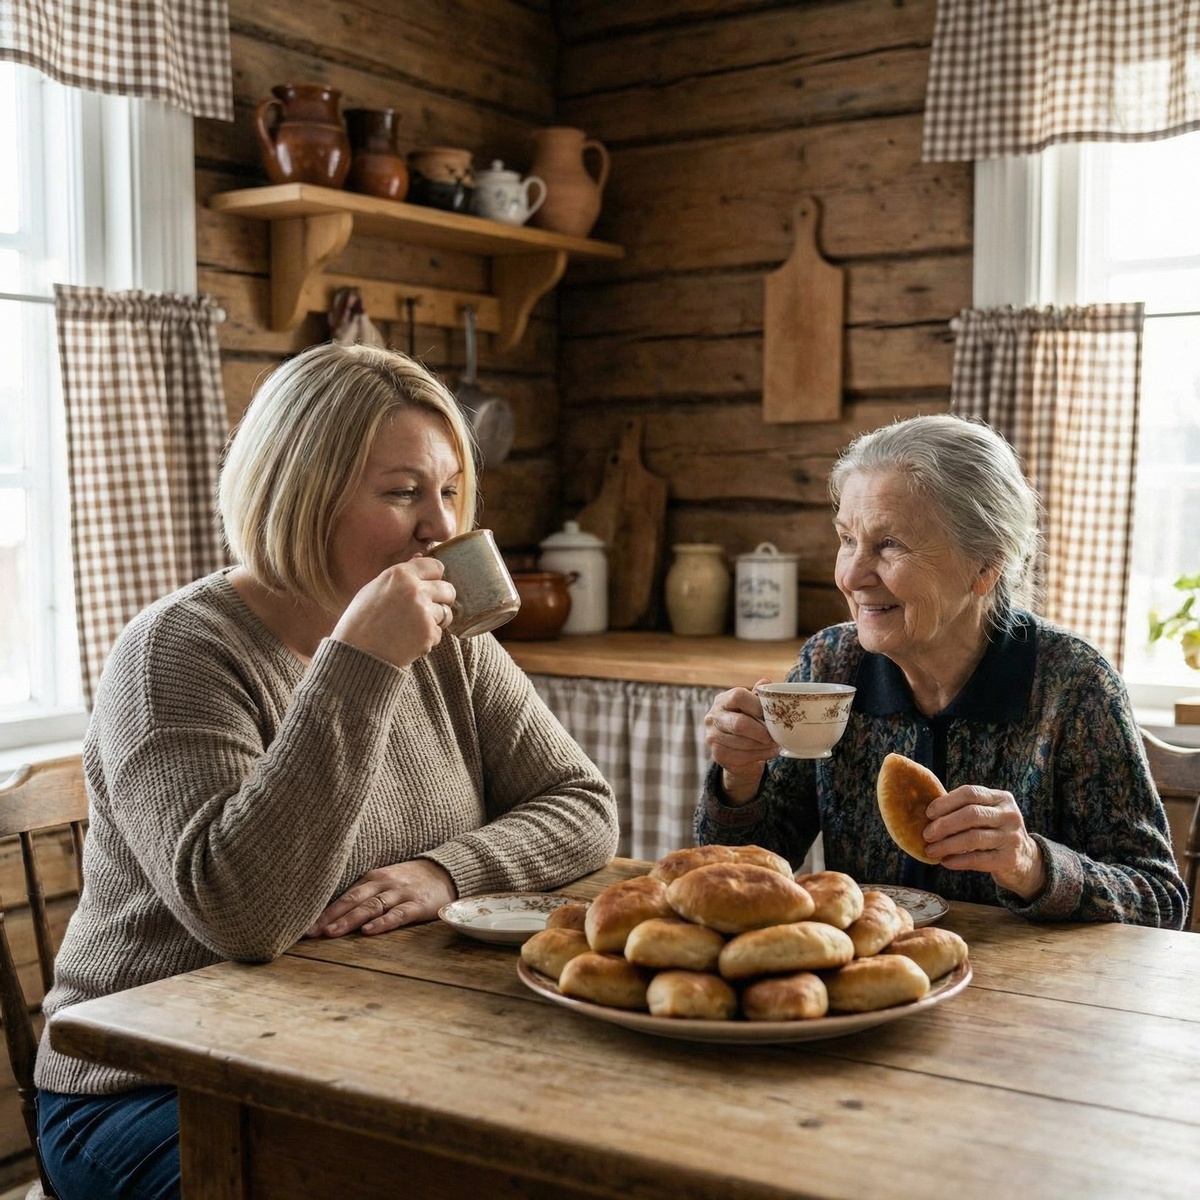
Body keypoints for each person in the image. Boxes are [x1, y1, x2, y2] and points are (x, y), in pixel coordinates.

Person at [35, 342, 620, 1200]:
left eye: (449, 491)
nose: (440, 529)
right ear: (299, 493)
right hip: (151, 1087)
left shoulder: (447, 641)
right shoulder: (177, 652)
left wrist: (443, 871)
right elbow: (243, 916)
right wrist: (360, 664)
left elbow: (582, 804)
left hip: (358, 1047)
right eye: (402, 492)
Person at [699, 414, 1187, 930]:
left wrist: (1031, 865)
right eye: (847, 539)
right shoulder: (830, 662)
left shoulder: (1073, 684)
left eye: (889, 544)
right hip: (874, 969)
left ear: (985, 566)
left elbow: (1160, 902)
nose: (851, 575)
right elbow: (745, 872)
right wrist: (740, 779)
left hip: (1025, 979)